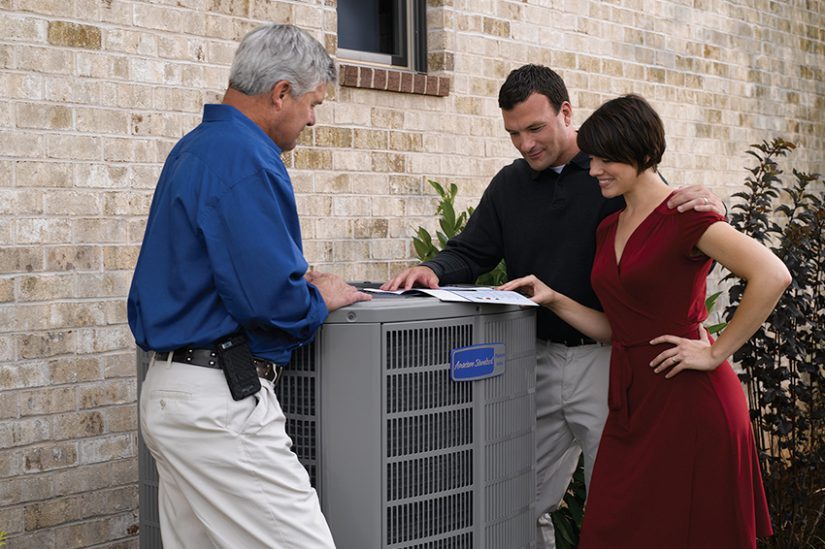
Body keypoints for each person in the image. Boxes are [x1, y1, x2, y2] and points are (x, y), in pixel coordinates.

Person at [381, 64, 727, 548]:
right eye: (514, 133)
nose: (525, 144)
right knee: (514, 498)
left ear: (567, 113)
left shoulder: (613, 176)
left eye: (535, 128)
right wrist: (434, 269)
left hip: (611, 363)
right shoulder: (510, 185)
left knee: (627, 503)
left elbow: (673, 243)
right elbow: (471, 250)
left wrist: (714, 208)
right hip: (535, 361)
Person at [501, 94, 788, 548]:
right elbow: (618, 329)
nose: (594, 169)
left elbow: (772, 274)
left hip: (690, 401)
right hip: (632, 401)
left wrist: (716, 351)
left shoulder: (686, 217)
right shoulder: (609, 226)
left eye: (607, 159)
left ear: (644, 154)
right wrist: (553, 298)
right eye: (593, 158)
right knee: (617, 528)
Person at [127, 24, 370, 549]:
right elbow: (273, 304)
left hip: (173, 393)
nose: (311, 118)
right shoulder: (247, 157)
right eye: (313, 104)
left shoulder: (195, 149)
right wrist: (317, 295)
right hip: (219, 402)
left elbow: (212, 269)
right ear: (281, 92)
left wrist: (289, 276)